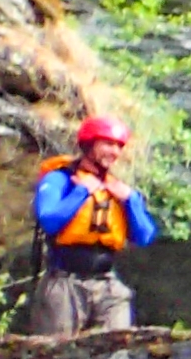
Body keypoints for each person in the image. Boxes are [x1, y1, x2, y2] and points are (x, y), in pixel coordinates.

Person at [21, 115, 156, 337]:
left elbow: (144, 236)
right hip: (65, 283)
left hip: (107, 284)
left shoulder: (118, 189)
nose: (114, 152)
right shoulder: (60, 180)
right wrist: (81, 192)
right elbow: (49, 220)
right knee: (55, 353)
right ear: (88, 145)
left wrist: (131, 201)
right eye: (107, 144)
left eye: (118, 146)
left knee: (118, 343)